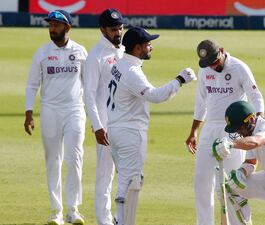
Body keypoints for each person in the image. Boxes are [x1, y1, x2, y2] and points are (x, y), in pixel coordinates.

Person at [106, 26, 197, 225]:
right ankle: (124, 221)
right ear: (137, 48)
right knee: (132, 182)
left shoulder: (119, 64)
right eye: (148, 44)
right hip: (130, 132)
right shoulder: (131, 72)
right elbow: (155, 96)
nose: (151, 47)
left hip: (114, 129)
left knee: (124, 180)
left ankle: (119, 220)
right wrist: (180, 80)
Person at [185, 39, 265, 225]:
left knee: (235, 182)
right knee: (201, 183)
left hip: (234, 129)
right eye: (208, 63)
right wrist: (194, 131)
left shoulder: (239, 67)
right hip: (210, 127)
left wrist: (258, 124)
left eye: (215, 61)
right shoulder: (205, 69)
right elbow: (201, 102)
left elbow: (255, 96)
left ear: (221, 51)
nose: (213, 66)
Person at [24, 10, 87, 225]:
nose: (52, 29)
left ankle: (73, 209)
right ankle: (56, 211)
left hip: (75, 110)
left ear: (67, 28)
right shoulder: (41, 53)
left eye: (56, 25)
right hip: (50, 110)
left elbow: (89, 85)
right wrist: (28, 112)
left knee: (75, 158)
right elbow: (32, 85)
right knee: (53, 161)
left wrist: (97, 115)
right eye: (50, 25)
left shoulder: (80, 51)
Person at [83, 8, 125, 225]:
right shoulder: (96, 56)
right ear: (102, 30)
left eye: (120, 28)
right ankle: (104, 220)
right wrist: (97, 125)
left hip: (125, 122)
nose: (118, 32)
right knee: (105, 175)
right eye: (113, 29)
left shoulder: (125, 50)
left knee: (127, 174)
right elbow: (88, 95)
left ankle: (121, 217)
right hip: (106, 126)